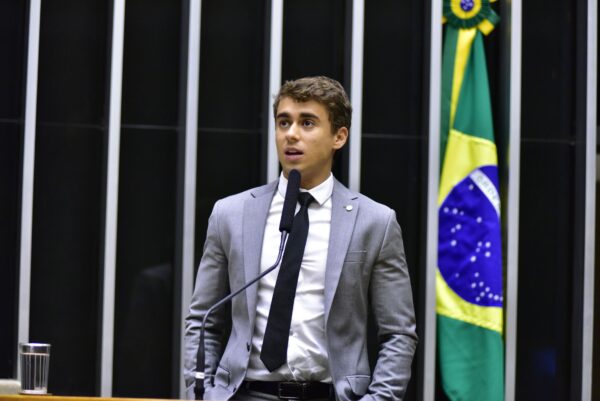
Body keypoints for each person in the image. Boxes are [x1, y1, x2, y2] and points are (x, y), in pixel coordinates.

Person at [184, 76, 417, 401]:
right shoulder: (231, 213)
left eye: (307, 123)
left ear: (339, 136)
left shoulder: (375, 222)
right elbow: (203, 320)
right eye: (284, 122)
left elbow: (398, 334)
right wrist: (203, 393)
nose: (291, 134)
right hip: (244, 393)